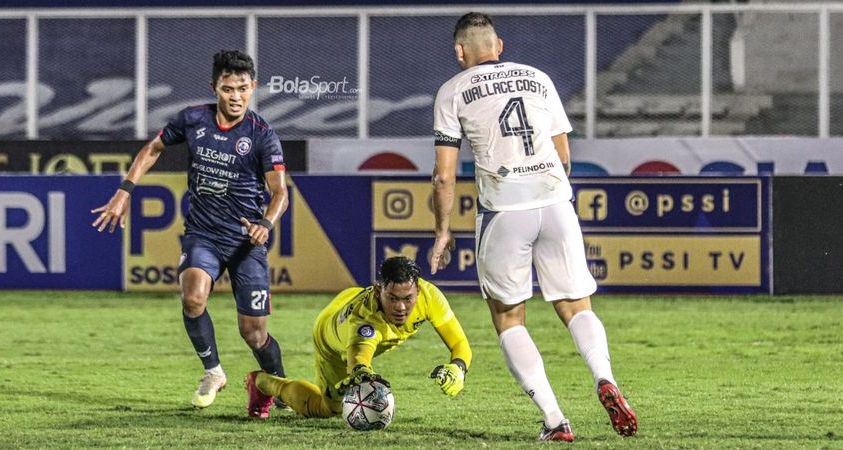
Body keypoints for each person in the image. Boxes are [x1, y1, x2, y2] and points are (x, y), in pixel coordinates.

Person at [429, 13, 638, 442]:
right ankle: (604, 377)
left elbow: (444, 176)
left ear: (459, 52)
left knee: (509, 317)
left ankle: (555, 420)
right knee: (576, 305)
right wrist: (555, 196)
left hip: (505, 209)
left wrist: (442, 231)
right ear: (499, 45)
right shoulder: (539, 78)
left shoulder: (452, 91)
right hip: (556, 201)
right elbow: (563, 151)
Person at [91, 49, 290, 414]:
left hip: (246, 241)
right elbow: (153, 149)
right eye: (228, 89)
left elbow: (280, 192)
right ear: (214, 87)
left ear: (253, 87)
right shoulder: (193, 119)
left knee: (254, 333)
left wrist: (265, 223)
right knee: (193, 297)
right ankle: (213, 371)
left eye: (243, 89)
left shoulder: (262, 135)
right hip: (203, 234)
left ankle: (280, 385)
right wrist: (124, 191)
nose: (236, 97)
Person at [245, 256, 472, 419]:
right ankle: (263, 383)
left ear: (418, 292)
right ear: (377, 291)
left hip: (348, 296)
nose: (401, 307)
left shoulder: (429, 296)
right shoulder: (365, 321)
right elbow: (358, 358)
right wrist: (361, 374)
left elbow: (459, 342)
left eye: (408, 298)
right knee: (328, 409)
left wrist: (458, 367)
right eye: (392, 298)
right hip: (331, 336)